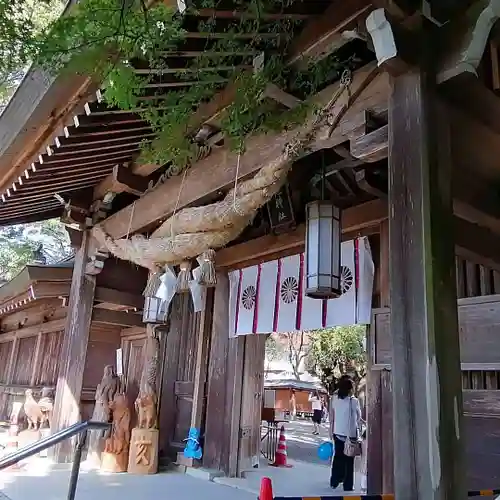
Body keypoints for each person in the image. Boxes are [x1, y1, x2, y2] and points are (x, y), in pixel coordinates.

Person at [329, 376, 361, 492]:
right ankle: (347, 486)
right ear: (350, 389)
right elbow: (358, 418)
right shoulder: (354, 401)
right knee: (349, 461)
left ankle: (334, 481)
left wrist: (331, 430)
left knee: (337, 457)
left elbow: (332, 417)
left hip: (337, 432)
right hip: (350, 435)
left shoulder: (334, 399)